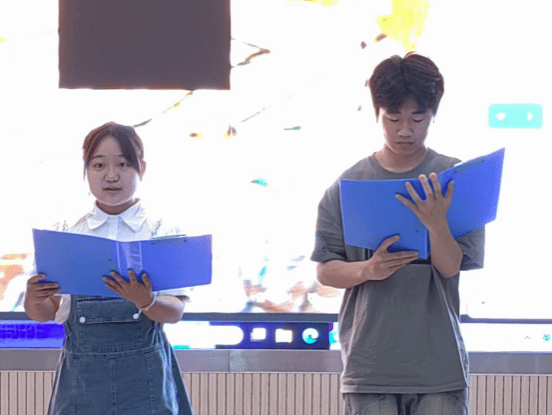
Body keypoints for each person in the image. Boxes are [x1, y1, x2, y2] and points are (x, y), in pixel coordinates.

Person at [311, 52, 484, 414]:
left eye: (418, 118)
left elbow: (451, 267)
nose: (405, 130)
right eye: (393, 118)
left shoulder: (455, 180)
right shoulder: (348, 185)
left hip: (438, 367)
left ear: (433, 114)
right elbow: (326, 271)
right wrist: (367, 269)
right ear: (377, 114)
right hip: (370, 366)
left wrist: (436, 223)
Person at [24, 122, 194, 415]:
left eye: (123, 164)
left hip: (146, 382)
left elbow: (175, 312)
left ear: (142, 168)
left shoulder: (162, 233)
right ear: (86, 170)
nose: (111, 175)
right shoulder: (64, 233)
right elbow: (44, 313)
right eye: (99, 165)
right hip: (81, 384)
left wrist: (146, 301)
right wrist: (33, 298)